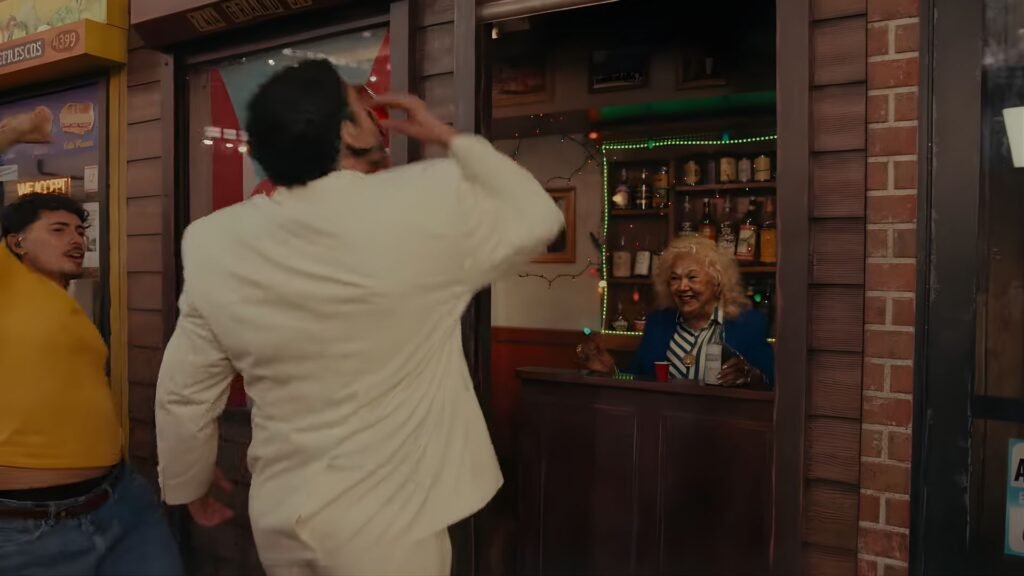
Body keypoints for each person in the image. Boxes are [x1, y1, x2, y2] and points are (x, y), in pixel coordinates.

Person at [154, 59, 564, 576]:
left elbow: (185, 389)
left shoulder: (214, 240)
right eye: (363, 107)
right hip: (391, 523)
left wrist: (188, 481)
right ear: (346, 130)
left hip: (282, 512)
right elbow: (539, 215)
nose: (376, 114)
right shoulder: (423, 202)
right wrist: (448, 137)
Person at [0, 109, 183, 576]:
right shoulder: (6, 279)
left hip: (120, 502)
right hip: (28, 528)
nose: (77, 240)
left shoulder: (67, 303)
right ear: (16, 244)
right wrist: (17, 133)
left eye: (81, 231)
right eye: (58, 230)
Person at [578, 236, 774, 386]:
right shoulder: (658, 323)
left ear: (717, 282)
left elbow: (772, 382)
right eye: (674, 278)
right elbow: (639, 379)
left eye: (692, 277)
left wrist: (751, 375)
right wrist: (613, 373)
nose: (682, 287)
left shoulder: (748, 324)